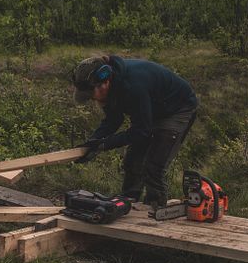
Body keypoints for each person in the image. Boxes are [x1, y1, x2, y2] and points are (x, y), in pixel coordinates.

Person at [72, 55, 197, 207]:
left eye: (91, 95)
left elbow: (141, 131)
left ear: (104, 82)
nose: (92, 99)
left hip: (177, 109)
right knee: (132, 161)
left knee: (154, 166)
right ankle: (128, 202)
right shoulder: (111, 86)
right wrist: (92, 142)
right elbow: (113, 120)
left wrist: (104, 144)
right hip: (153, 109)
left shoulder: (133, 86)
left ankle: (155, 206)